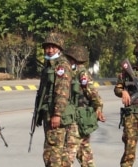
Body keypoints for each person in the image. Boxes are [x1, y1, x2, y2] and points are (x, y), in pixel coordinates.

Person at [63, 44, 105, 167]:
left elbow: (93, 93)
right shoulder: (71, 71)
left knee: (69, 152)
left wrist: (99, 107)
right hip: (78, 118)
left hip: (77, 118)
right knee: (85, 151)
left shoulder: (81, 73)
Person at [35, 32, 73, 167]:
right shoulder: (49, 66)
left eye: (53, 47)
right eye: (47, 47)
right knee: (53, 152)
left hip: (56, 115)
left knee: (53, 154)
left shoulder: (61, 66)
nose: (50, 50)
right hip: (48, 113)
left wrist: (57, 114)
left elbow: (62, 92)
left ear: (60, 48)